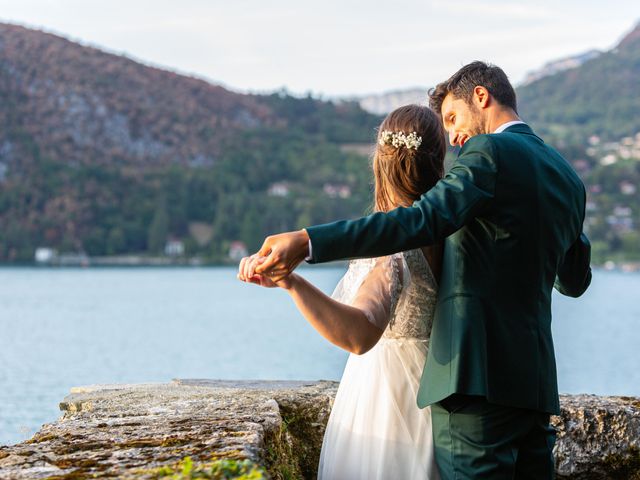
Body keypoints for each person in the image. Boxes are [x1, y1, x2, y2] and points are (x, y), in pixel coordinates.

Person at [245, 62, 592, 479]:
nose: (453, 136)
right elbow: (573, 280)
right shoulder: (567, 177)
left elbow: (419, 221)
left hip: (475, 385)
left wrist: (308, 241)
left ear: (481, 97)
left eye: (452, 118)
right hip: (534, 389)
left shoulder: (489, 154)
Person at [238, 105, 447, 479]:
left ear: (379, 164)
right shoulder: (446, 236)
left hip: (388, 402)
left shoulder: (392, 249)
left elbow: (359, 334)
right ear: (438, 161)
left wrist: (291, 282)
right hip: (436, 393)